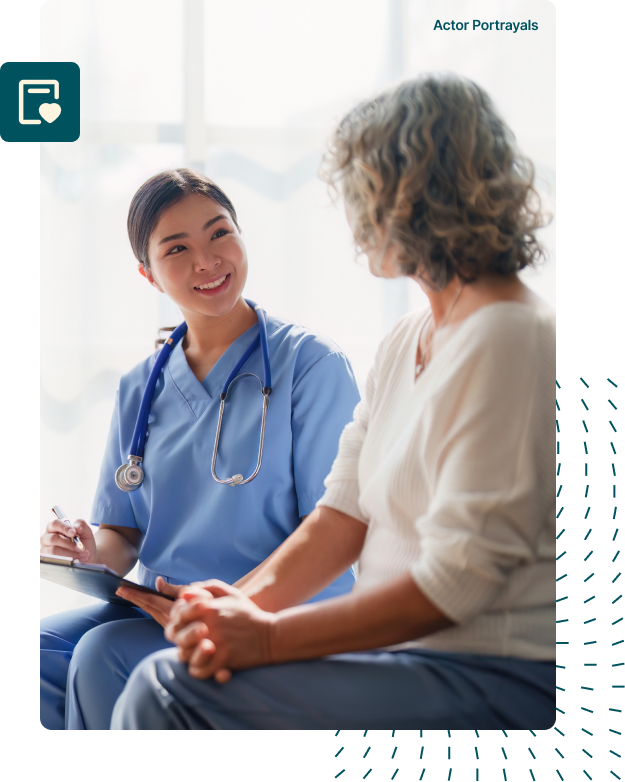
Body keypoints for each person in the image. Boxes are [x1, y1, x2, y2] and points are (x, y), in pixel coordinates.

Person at [112, 75, 556, 730]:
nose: (351, 215)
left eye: (361, 191)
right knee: (159, 667)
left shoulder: (510, 338)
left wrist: (263, 638)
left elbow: (457, 581)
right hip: (401, 659)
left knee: (167, 690)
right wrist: (230, 608)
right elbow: (341, 516)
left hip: (490, 672)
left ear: (418, 197)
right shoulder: (409, 337)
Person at [40, 169, 361, 730]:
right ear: (149, 274)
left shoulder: (311, 365)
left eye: (219, 234)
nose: (207, 261)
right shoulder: (140, 386)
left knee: (101, 657)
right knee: (44, 650)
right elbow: (125, 535)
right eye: (178, 249)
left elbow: (332, 530)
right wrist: (91, 552)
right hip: (161, 610)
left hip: (275, 611)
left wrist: (228, 606)